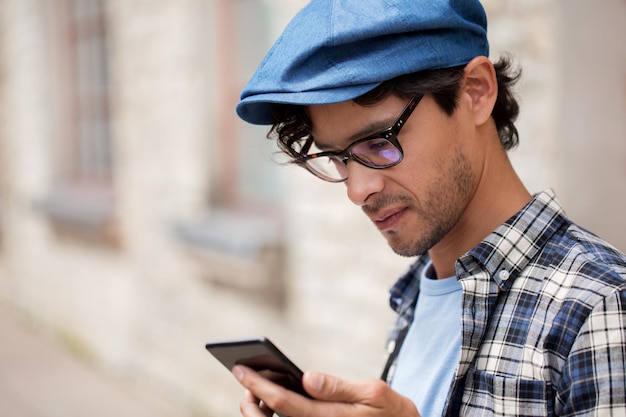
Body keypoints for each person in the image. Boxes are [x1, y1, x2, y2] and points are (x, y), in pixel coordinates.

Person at [229, 1, 626, 416]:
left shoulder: (599, 309)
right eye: (338, 158)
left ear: (475, 91)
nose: (357, 190)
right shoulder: (419, 290)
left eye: (380, 143)